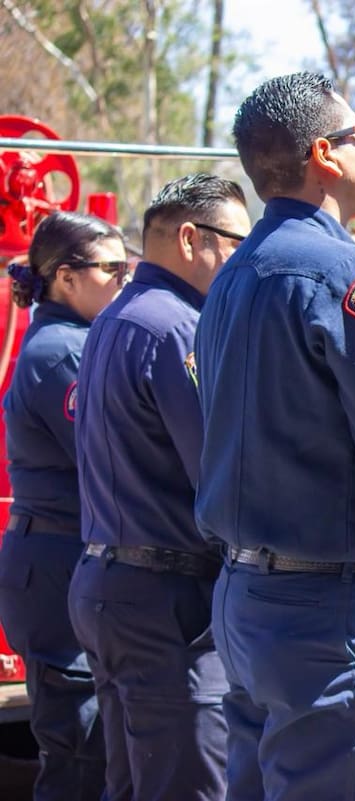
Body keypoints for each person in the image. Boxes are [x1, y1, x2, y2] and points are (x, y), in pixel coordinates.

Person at [194, 72, 355, 801]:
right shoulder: (346, 275)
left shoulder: (234, 276)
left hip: (242, 599)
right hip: (323, 613)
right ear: (325, 156)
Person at [68, 173, 251, 801]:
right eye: (236, 242)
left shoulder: (115, 318)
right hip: (167, 602)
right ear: (191, 238)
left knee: (134, 783)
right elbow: (223, 478)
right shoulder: (177, 328)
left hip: (112, 585)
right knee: (190, 786)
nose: (243, 260)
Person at [0, 211, 126, 801]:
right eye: (112, 270)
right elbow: (114, 457)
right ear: (66, 278)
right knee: (78, 750)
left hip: (64, 559)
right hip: (55, 567)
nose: (125, 281)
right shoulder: (60, 356)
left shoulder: (77, 343)